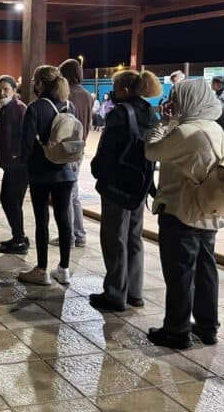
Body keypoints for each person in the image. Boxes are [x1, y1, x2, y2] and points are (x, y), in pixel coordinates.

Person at [145, 78, 224, 349]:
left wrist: (162, 121)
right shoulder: (216, 130)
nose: (174, 101)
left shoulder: (186, 133)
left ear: (188, 100)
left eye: (178, 97)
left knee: (180, 272)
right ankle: (207, 327)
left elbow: (151, 150)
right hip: (210, 211)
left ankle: (177, 330)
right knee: (206, 270)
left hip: (181, 212)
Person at [89, 70, 161, 312]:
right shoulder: (150, 112)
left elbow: (107, 149)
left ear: (125, 90)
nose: (113, 92)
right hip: (140, 184)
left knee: (114, 238)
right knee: (134, 237)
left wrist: (98, 171)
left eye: (115, 87)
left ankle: (115, 294)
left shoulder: (119, 112)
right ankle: (134, 292)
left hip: (118, 184)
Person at [18, 65, 76, 286]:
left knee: (42, 220)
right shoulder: (69, 106)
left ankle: (41, 269)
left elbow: (26, 145)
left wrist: (24, 164)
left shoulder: (35, 108)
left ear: (40, 83)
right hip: (66, 172)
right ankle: (64, 269)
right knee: (64, 219)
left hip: (41, 172)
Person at [50, 59, 93, 249]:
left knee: (66, 194)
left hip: (66, 149)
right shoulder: (86, 94)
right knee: (73, 194)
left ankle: (71, 235)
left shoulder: (67, 95)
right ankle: (78, 234)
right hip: (80, 147)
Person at [0, 75, 29, 254]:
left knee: (12, 201)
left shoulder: (19, 108)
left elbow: (24, 135)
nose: (2, 93)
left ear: (14, 90)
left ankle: (20, 239)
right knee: (8, 200)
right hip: (10, 163)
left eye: (6, 89)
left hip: (19, 165)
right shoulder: (5, 108)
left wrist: (17, 154)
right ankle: (18, 236)